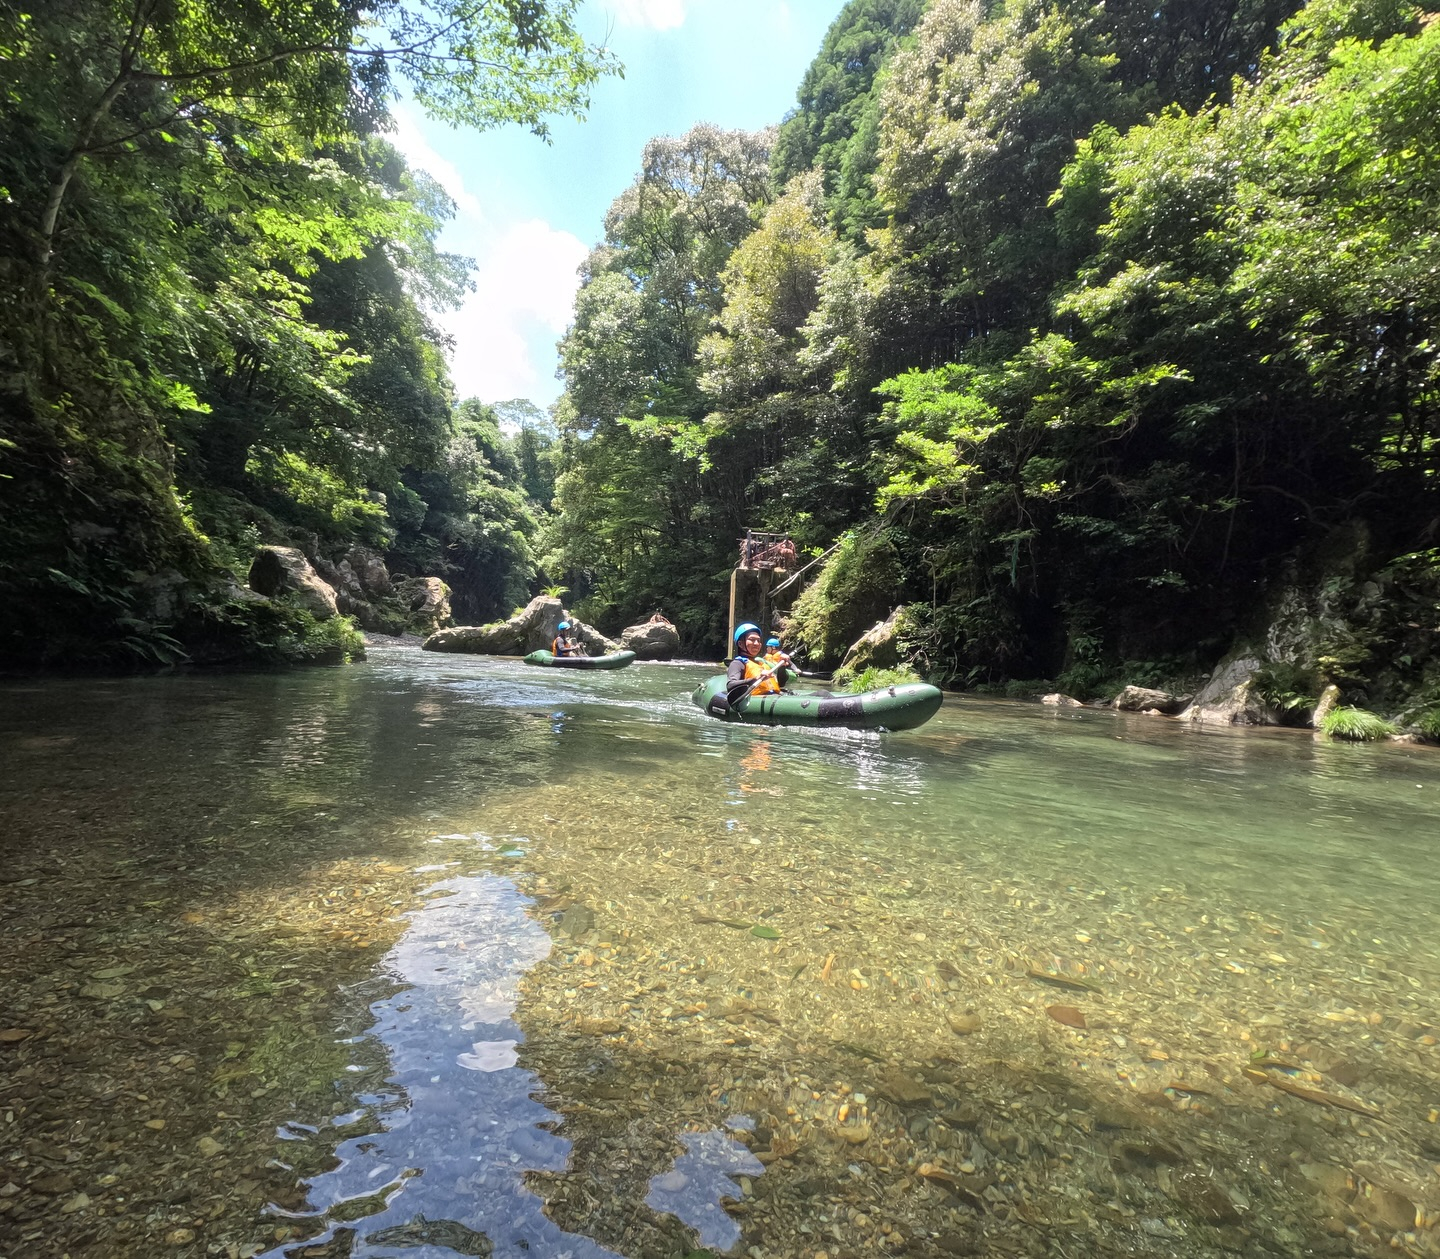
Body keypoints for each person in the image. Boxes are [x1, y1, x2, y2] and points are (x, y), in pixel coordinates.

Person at [726, 623, 792, 704]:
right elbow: (730, 685)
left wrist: (782, 666)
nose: (757, 643)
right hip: (757, 701)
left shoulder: (761, 663)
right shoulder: (737, 663)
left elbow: (781, 684)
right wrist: (756, 679)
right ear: (740, 644)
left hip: (775, 697)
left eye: (758, 640)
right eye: (752, 639)